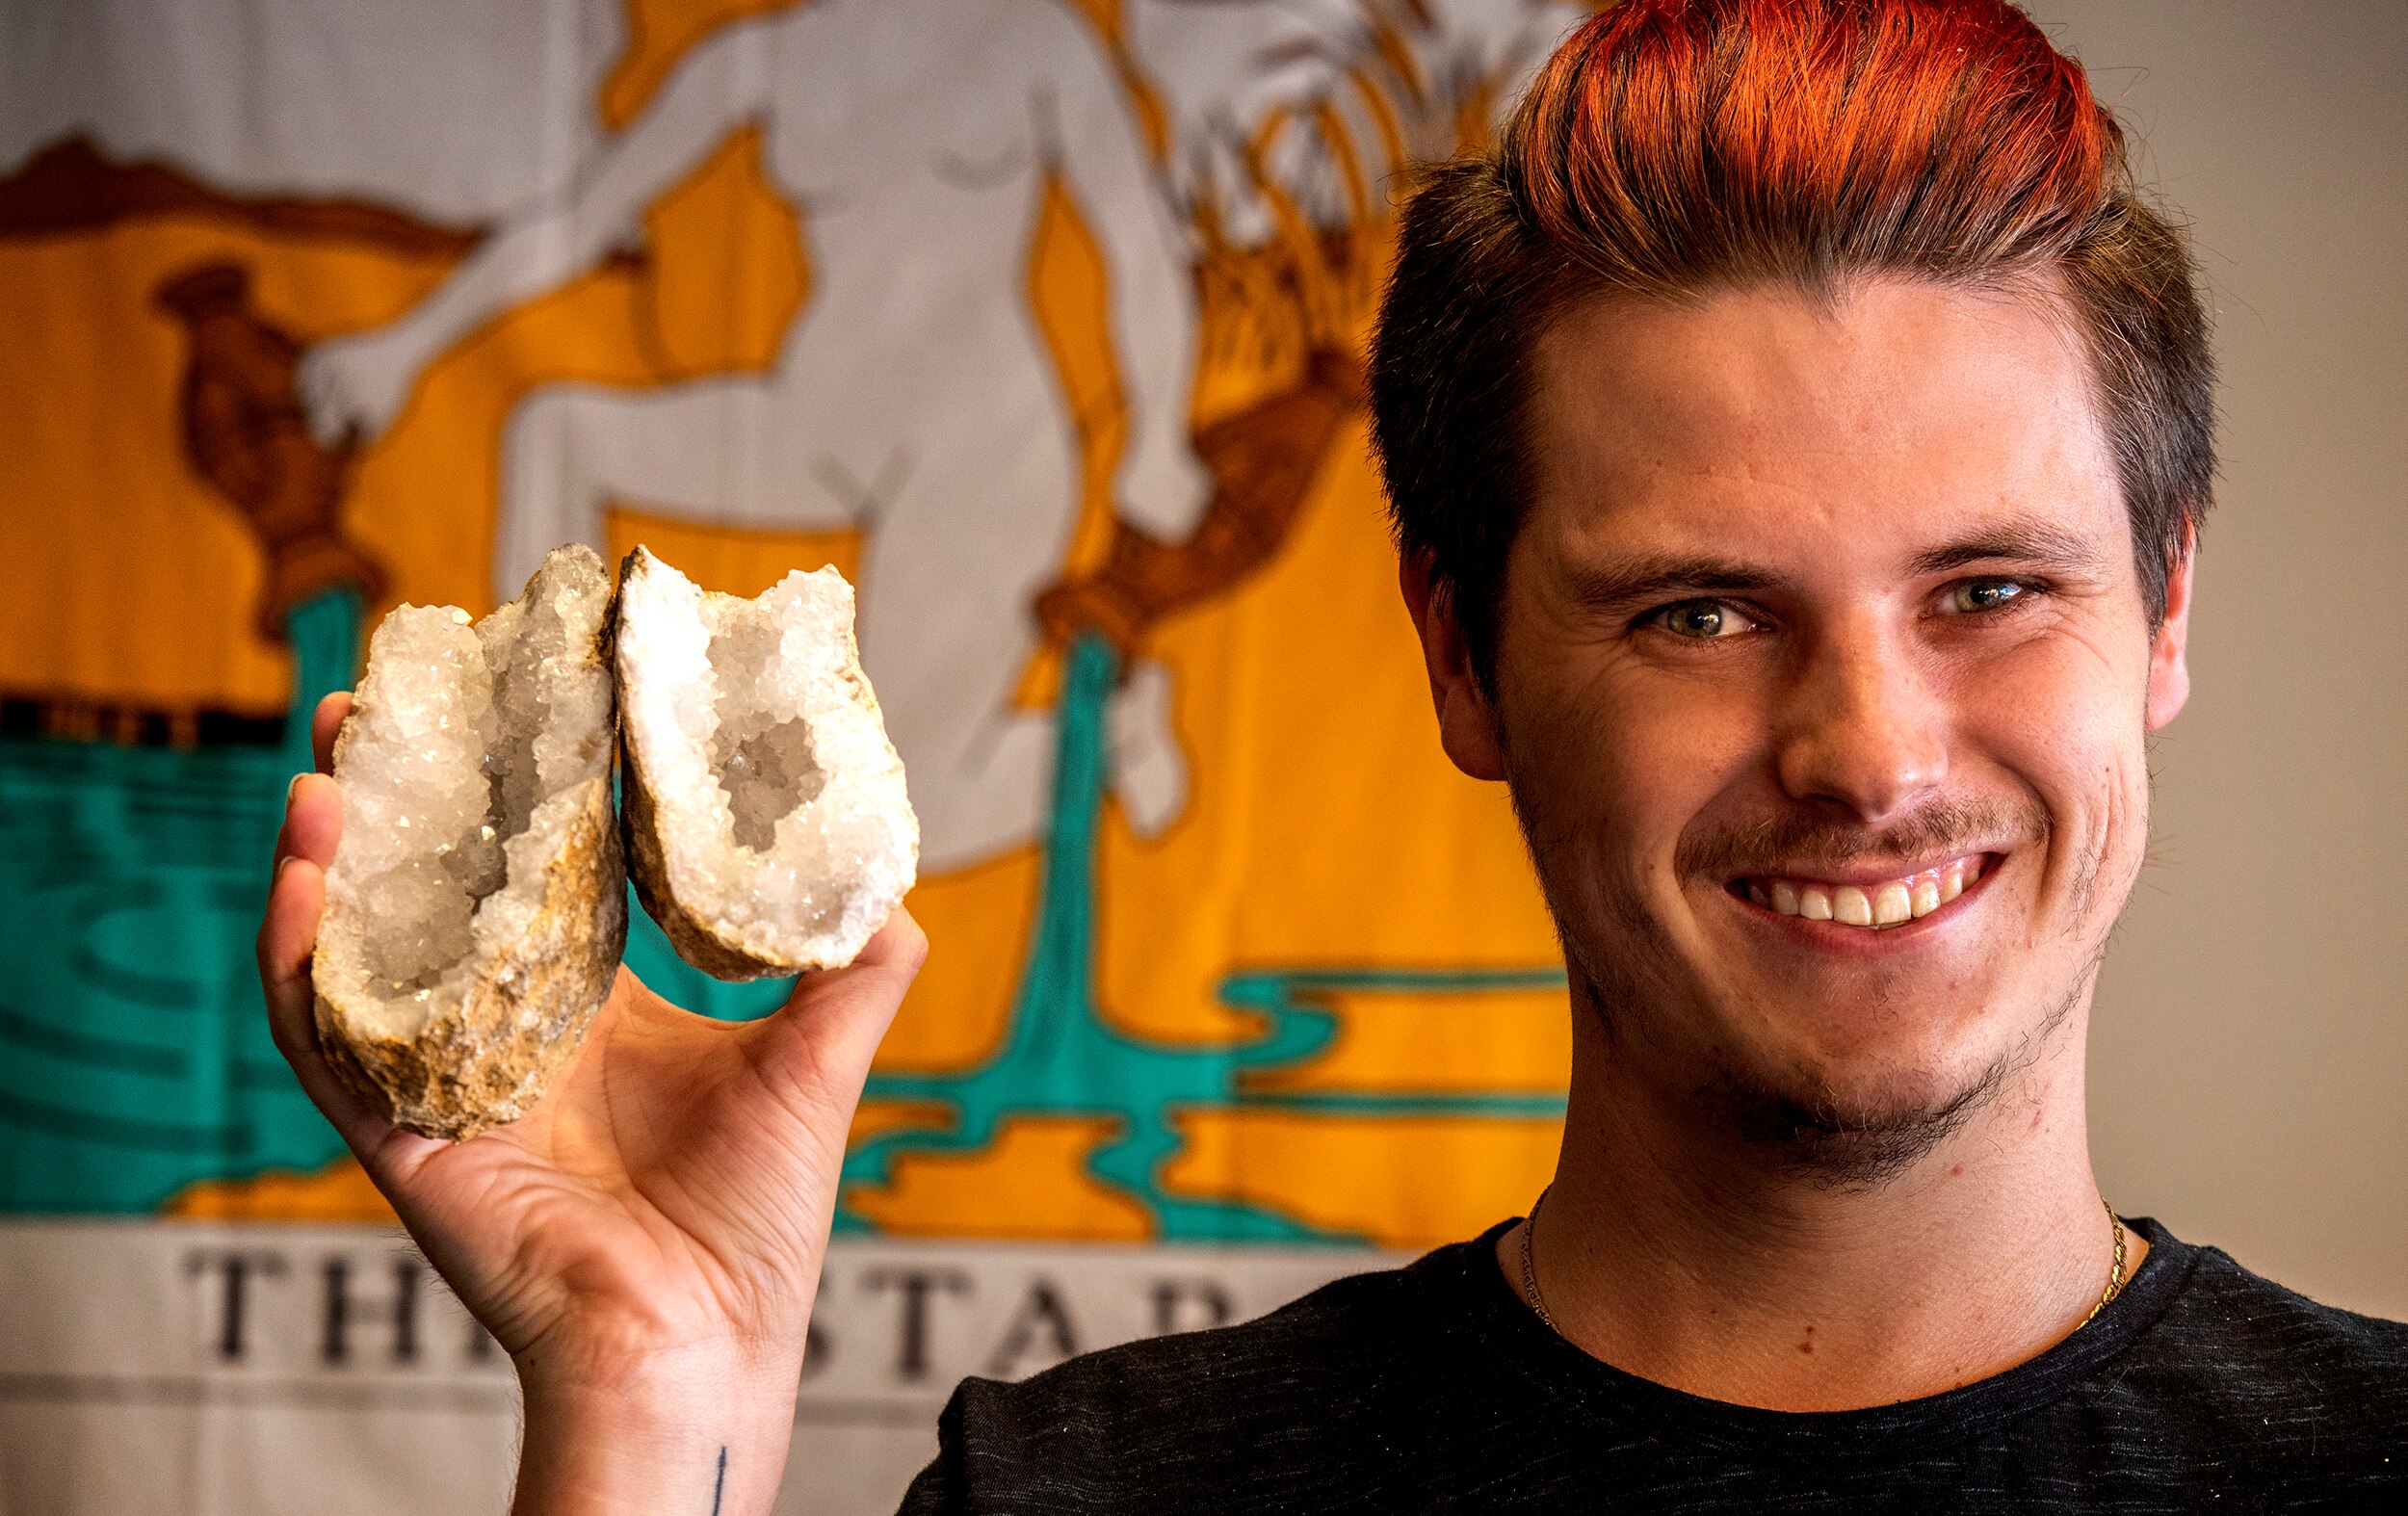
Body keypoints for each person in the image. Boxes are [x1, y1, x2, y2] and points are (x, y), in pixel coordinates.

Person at [256, 1, 2408, 1510]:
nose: (1864, 749)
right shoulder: (1079, 1498)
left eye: (1988, 591)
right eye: (1696, 610)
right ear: (1459, 661)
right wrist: (650, 1402)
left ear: (2167, 607)